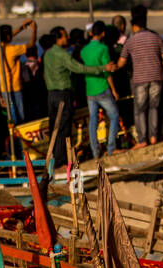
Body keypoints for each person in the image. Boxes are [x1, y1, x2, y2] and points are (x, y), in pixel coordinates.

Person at [42, 26, 113, 168]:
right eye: (65, 35)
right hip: (63, 94)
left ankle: (55, 159)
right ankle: (61, 161)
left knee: (54, 128)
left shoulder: (47, 54)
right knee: (63, 128)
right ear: (58, 38)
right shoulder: (62, 54)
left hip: (51, 95)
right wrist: (103, 68)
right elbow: (79, 68)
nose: (67, 38)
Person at [117, 6, 163, 146]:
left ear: (134, 26)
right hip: (156, 77)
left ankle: (142, 140)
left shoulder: (130, 41)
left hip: (140, 78)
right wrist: (158, 67)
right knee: (154, 108)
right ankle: (153, 137)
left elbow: (121, 63)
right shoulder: (156, 37)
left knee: (140, 109)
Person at [81, 20, 121, 157]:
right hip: (102, 87)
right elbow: (107, 71)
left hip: (90, 89)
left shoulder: (84, 50)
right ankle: (111, 148)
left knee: (93, 120)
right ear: (103, 33)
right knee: (114, 116)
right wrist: (114, 90)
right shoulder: (103, 49)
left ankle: (95, 151)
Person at [0, 20, 37, 123]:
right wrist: (34, 30)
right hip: (15, 88)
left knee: (12, 114)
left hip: (5, 89)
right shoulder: (13, 49)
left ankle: (15, 136)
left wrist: (22, 27)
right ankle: (19, 138)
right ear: (8, 36)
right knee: (20, 116)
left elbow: (7, 37)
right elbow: (31, 44)